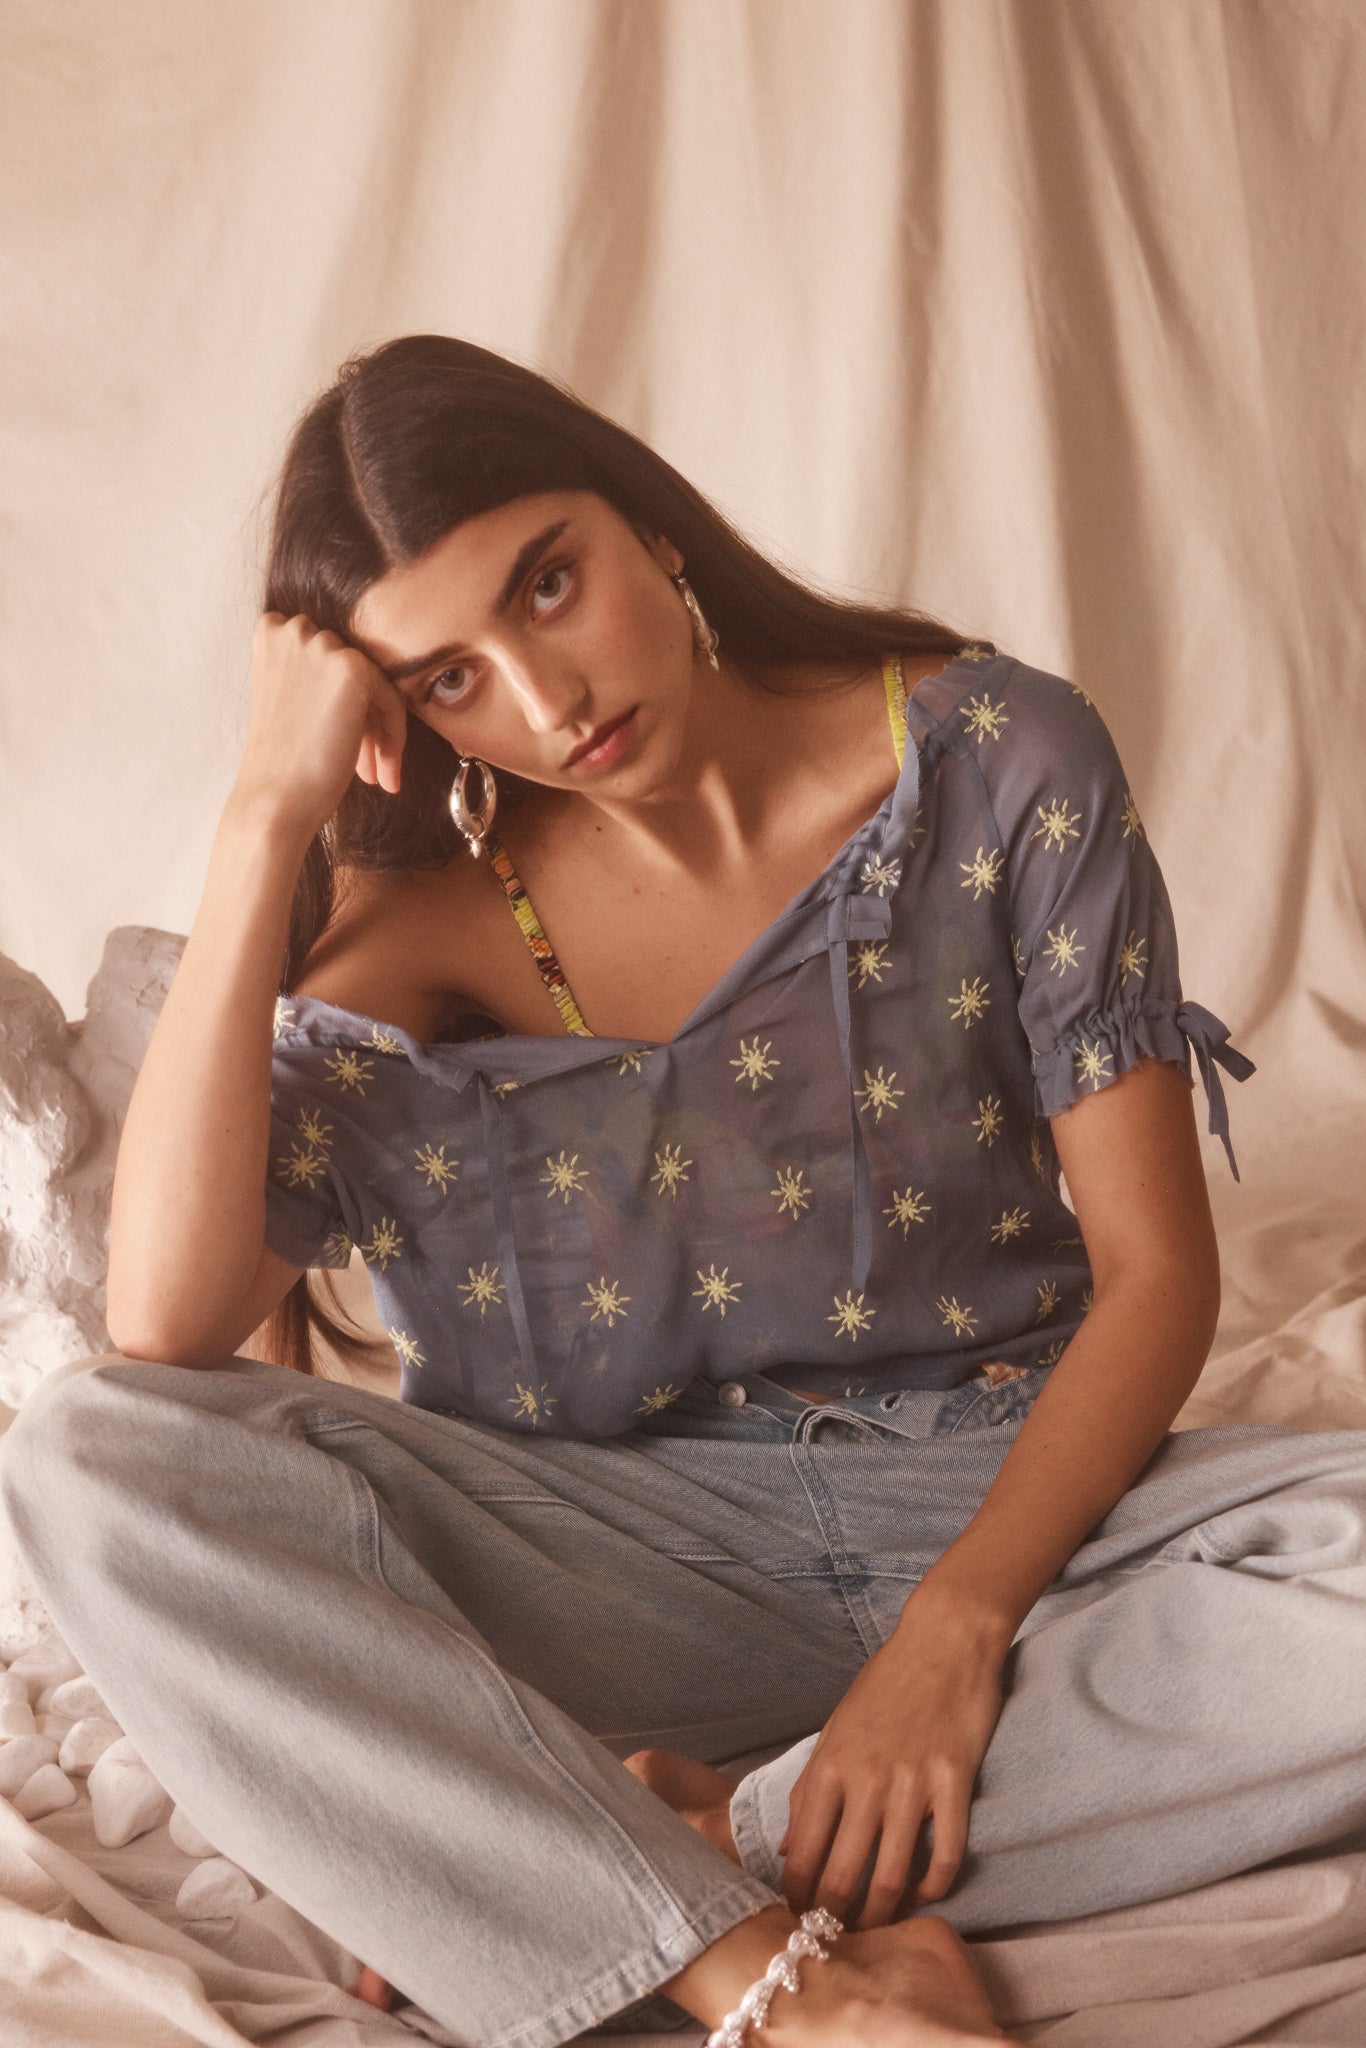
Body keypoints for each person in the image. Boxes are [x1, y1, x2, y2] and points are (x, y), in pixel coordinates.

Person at [4, 333, 1365, 2048]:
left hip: (1019, 1489)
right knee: (92, 1453)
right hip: (614, 1571)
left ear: (646, 520)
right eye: (447, 680)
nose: (543, 698)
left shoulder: (997, 758)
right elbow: (167, 1324)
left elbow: (1159, 1273)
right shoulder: (418, 924)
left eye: (548, 584)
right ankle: (770, 1989)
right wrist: (265, 818)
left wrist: (950, 1644)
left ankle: (698, 1842)